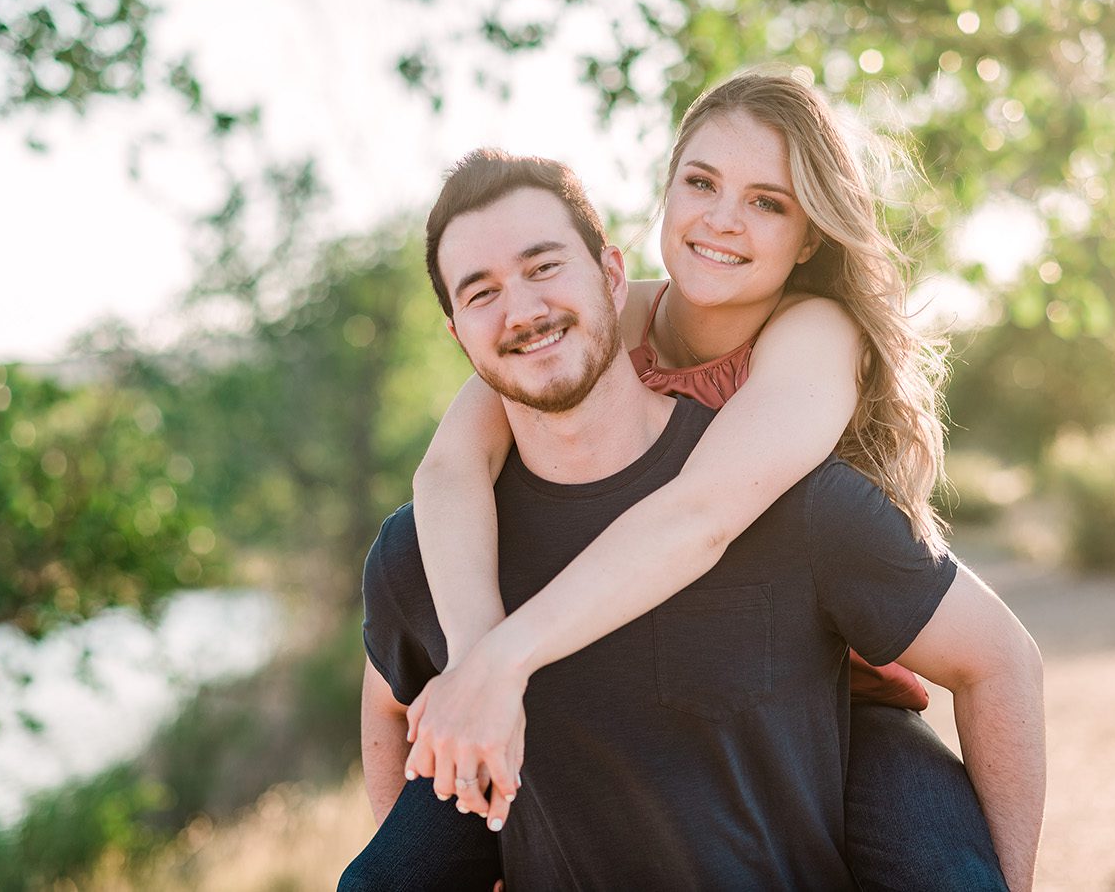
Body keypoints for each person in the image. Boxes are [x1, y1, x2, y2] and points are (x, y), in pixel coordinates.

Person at [386, 71, 1036, 889]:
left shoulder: (813, 334)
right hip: (643, 680)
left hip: (835, 699)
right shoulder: (595, 312)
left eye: (769, 201)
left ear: (809, 237)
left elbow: (701, 515)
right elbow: (447, 469)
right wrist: (479, 660)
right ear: (664, 192)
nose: (722, 219)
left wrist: (500, 661)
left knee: (953, 875)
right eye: (701, 182)